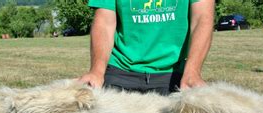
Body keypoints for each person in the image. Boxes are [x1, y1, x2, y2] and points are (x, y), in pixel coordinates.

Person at [78, 0, 215, 95]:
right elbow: (104, 23)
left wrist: (192, 71)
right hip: (120, 71)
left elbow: (202, 18)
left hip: (173, 72)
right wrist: (96, 71)